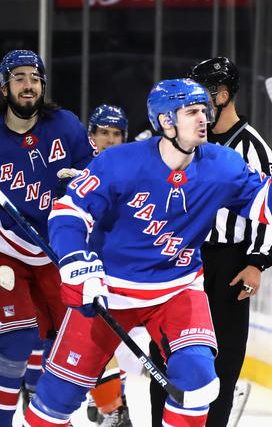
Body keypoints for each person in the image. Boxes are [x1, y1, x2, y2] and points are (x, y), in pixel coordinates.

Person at [24, 78, 272, 426]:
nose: (204, 120)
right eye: (192, 112)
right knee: (56, 398)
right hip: (110, 290)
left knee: (197, 384)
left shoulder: (222, 165)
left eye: (204, 111)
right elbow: (69, 211)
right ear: (166, 121)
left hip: (178, 288)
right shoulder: (120, 162)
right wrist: (76, 259)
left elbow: (265, 207)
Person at [147, 57, 272, 426]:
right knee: (164, 355)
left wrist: (257, 261)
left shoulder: (254, 148)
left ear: (222, 95)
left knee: (221, 360)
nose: (194, 105)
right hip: (179, 258)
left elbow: (270, 206)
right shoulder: (183, 140)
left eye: (202, 95)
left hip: (228, 264)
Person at [0, 49, 96, 426]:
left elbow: (96, 175)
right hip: (8, 251)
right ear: (5, 86)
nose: (29, 85)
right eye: (20, 77)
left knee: (62, 343)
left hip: (56, 247)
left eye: (35, 78)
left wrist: (84, 183)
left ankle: (49, 416)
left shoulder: (66, 125)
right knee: (17, 340)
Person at [85, 104, 134, 426]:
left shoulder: (137, 170)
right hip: (88, 269)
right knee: (96, 339)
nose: (110, 139)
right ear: (92, 136)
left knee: (117, 344)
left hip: (126, 269)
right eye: (104, 132)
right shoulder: (79, 170)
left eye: (116, 134)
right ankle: (114, 405)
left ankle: (112, 398)